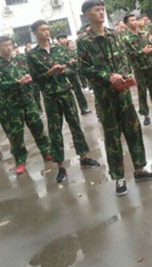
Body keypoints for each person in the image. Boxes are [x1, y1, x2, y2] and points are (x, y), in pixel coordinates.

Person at [77, 0, 152, 197]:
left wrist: (123, 75)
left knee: (133, 130)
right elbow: (84, 68)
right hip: (105, 96)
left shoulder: (114, 35)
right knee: (112, 136)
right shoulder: (84, 41)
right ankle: (119, 177)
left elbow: (124, 58)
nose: (101, 13)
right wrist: (108, 76)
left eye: (102, 9)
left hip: (123, 93)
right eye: (96, 10)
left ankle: (140, 169)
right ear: (87, 14)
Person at [27, 21, 99, 183]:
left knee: (75, 125)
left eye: (47, 29)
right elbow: (35, 79)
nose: (46, 32)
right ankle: (60, 166)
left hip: (66, 91)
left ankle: (83, 158)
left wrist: (64, 70)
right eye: (42, 30)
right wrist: (49, 73)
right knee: (55, 131)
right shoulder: (32, 55)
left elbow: (71, 69)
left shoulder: (58, 49)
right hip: (51, 96)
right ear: (35, 33)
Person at [0, 36, 52, 175]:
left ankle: (46, 151)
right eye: (5, 45)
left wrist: (30, 80)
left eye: (10, 44)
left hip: (28, 101)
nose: (8, 48)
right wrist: (18, 83)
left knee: (38, 127)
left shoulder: (20, 59)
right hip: (11, 105)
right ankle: (20, 160)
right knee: (16, 134)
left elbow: (30, 73)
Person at [121, 14, 152, 126]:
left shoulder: (142, 34)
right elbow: (128, 54)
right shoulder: (125, 38)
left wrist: (150, 46)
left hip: (149, 65)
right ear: (126, 23)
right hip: (139, 68)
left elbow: (149, 46)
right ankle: (146, 115)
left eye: (135, 20)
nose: (135, 22)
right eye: (132, 20)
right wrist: (142, 52)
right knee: (142, 91)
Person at [56, 34, 91, 114]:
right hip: (64, 75)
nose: (64, 40)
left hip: (73, 73)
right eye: (61, 38)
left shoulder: (70, 49)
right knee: (68, 95)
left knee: (78, 91)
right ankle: (72, 112)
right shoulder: (56, 51)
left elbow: (77, 58)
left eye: (65, 38)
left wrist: (75, 61)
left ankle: (84, 108)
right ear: (58, 40)